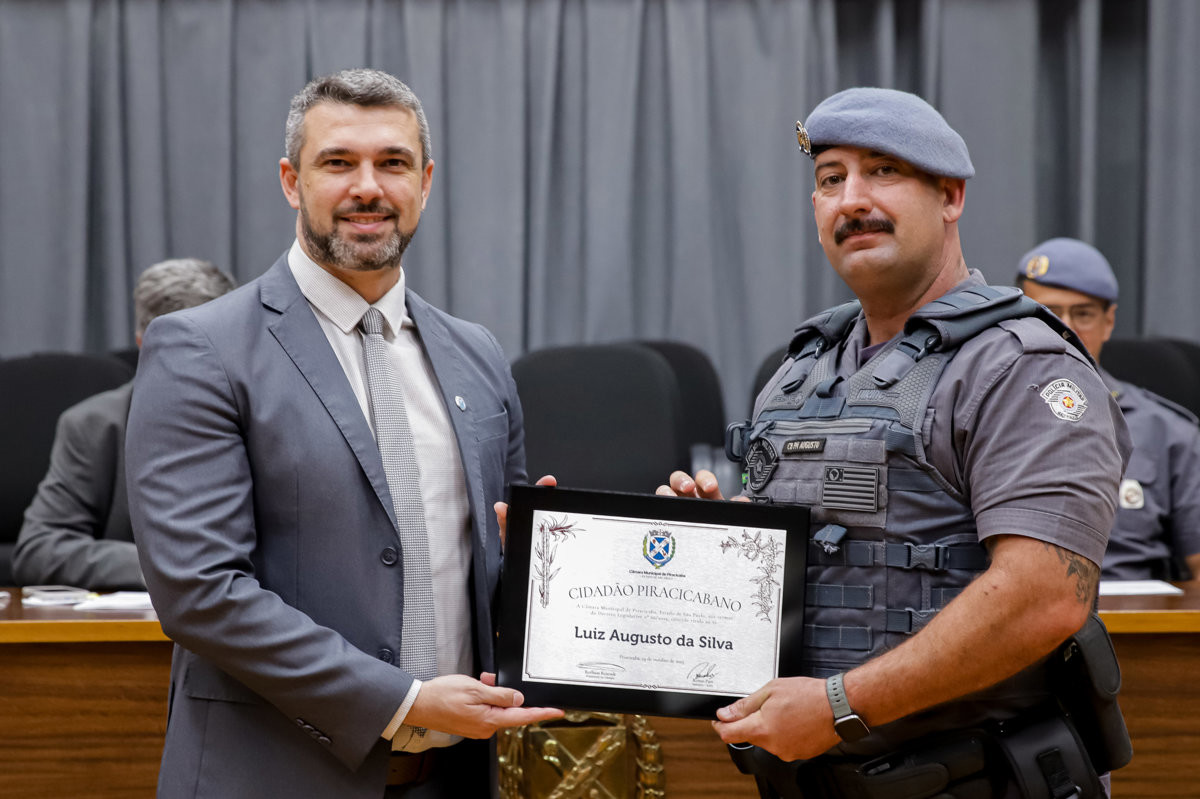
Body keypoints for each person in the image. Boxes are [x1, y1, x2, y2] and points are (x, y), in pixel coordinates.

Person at [658, 87, 1131, 798]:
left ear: (949, 195)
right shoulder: (795, 377)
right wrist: (711, 544)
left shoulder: (1022, 366)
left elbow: (1043, 596)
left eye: (883, 171)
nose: (852, 199)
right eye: (830, 178)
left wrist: (838, 707)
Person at [125, 69, 561, 799]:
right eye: (339, 163)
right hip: (270, 778)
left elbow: (485, 574)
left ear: (424, 181)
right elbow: (200, 591)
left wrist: (567, 563)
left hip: (452, 776)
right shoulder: (200, 348)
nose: (368, 187)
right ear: (293, 181)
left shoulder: (476, 352)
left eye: (392, 163)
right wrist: (403, 700)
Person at [12, 258, 235, 591]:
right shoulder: (95, 425)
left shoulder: (275, 415)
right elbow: (39, 549)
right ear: (143, 343)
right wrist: (168, 569)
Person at [1018, 238, 1200, 582]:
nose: (1066, 329)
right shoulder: (982, 413)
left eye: (1083, 314)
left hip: (1133, 626)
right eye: (1049, 314)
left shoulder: (1168, 431)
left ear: (1109, 321)